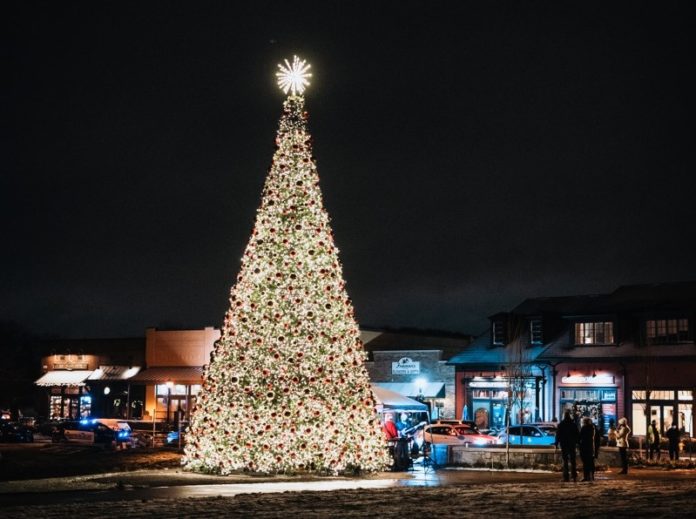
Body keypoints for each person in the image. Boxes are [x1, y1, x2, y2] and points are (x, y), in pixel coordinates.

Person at [555, 410, 579, 482]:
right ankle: (574, 476)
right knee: (573, 460)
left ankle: (566, 477)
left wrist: (557, 443)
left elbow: (558, 435)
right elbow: (577, 434)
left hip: (564, 444)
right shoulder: (573, 424)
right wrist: (577, 442)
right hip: (572, 444)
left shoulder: (561, 424)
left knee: (565, 461)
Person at [578, 417, 596, 481]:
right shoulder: (592, 428)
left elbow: (580, 437)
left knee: (585, 463)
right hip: (590, 447)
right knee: (590, 462)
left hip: (584, 447)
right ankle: (591, 476)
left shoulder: (584, 428)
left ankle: (586, 476)